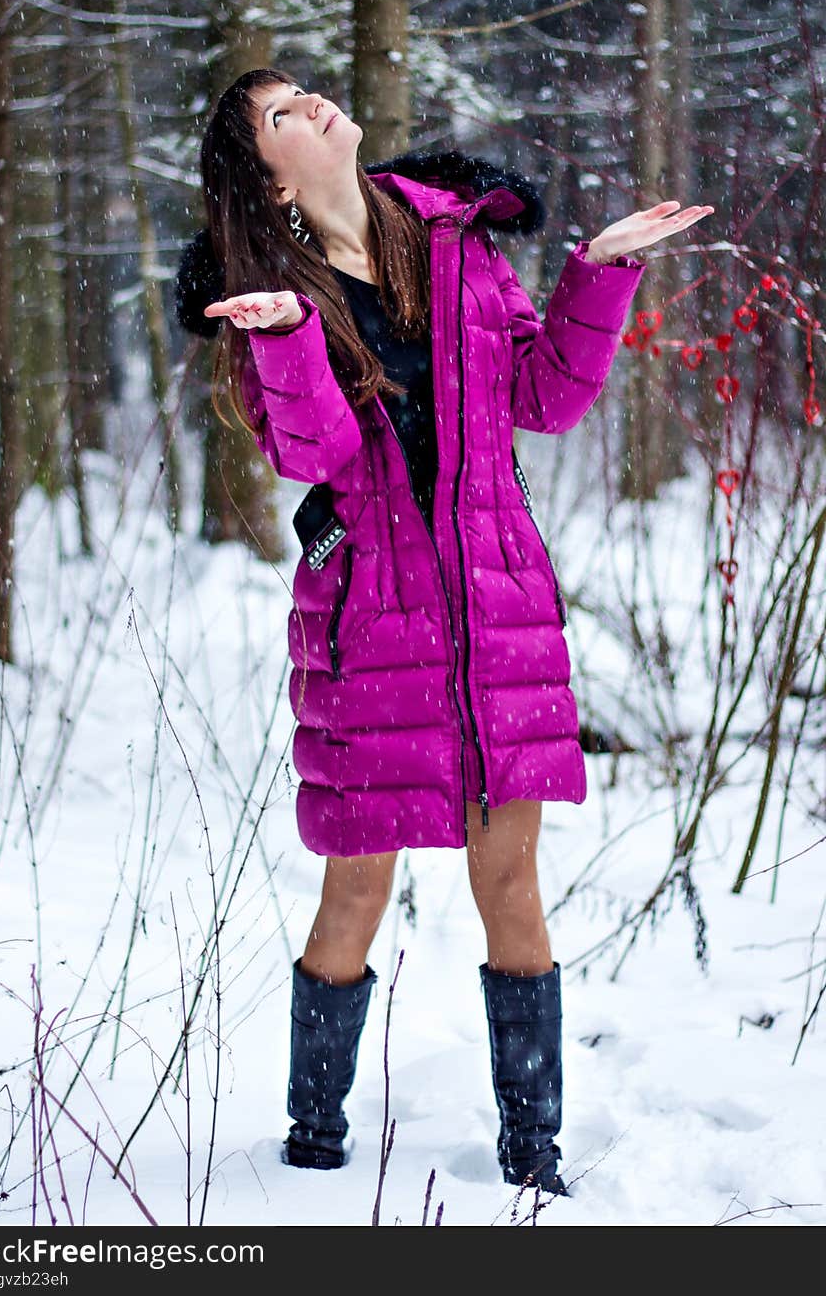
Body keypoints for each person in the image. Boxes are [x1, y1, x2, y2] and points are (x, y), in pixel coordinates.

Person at [175, 67, 714, 1195]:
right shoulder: (274, 290)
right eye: (280, 117)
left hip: (497, 598)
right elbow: (314, 456)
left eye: (305, 93)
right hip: (371, 616)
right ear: (267, 177)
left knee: (510, 879)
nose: (311, 107)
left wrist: (600, 272)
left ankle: (535, 1158)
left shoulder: (454, 238)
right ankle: (314, 1145)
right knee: (356, 891)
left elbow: (545, 395)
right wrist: (282, 337)